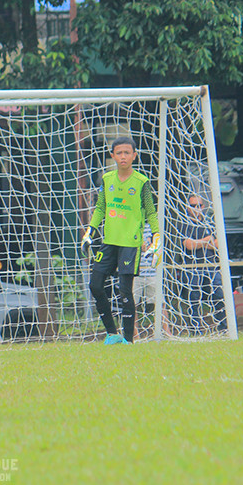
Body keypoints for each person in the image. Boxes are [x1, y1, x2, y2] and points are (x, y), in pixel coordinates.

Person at [81, 136, 160, 345]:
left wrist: (156, 238)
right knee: (95, 285)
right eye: (119, 153)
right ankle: (111, 333)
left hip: (130, 244)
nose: (123, 156)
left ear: (134, 155)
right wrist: (90, 232)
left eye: (127, 152)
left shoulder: (142, 182)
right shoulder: (107, 179)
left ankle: (128, 340)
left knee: (125, 291)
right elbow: (100, 208)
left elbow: (151, 213)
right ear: (112, 155)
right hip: (109, 242)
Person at [179, 192, 225, 333]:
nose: (196, 208)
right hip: (192, 266)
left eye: (199, 205)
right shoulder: (183, 224)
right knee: (194, 298)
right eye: (193, 206)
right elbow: (188, 245)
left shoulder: (210, 222)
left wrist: (199, 242)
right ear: (187, 207)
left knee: (218, 295)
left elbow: (217, 244)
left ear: (203, 206)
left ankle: (224, 328)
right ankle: (195, 329)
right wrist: (206, 241)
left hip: (210, 265)